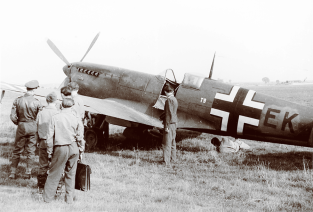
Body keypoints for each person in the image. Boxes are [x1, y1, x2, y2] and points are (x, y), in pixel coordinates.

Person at [43, 98, 84, 203]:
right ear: (72, 106)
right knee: (71, 174)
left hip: (60, 147)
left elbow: (49, 137)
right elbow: (80, 137)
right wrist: (81, 150)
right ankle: (69, 200)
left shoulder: (55, 118)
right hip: (74, 147)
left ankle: (47, 199)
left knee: (54, 173)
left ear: (61, 105)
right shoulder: (76, 118)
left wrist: (49, 152)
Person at [9, 80, 42, 179]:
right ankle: (28, 173)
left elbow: (13, 116)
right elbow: (40, 117)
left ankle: (13, 173)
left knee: (17, 150)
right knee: (31, 151)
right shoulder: (37, 102)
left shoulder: (18, 100)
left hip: (21, 126)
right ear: (34, 90)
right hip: (32, 127)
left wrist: (19, 123)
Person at [36, 92, 59, 193]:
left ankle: (41, 188)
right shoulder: (58, 113)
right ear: (56, 101)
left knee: (42, 165)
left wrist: (37, 141)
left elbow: (36, 128)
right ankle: (55, 188)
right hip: (55, 142)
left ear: (47, 101)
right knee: (56, 165)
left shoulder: (41, 113)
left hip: (43, 141)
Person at [161, 84, 178, 166]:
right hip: (174, 124)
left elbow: (168, 114)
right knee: (173, 143)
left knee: (166, 143)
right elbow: (173, 113)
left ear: (165, 92)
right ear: (172, 91)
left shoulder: (168, 100)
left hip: (169, 124)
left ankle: (166, 161)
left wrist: (166, 126)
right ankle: (173, 159)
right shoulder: (174, 99)